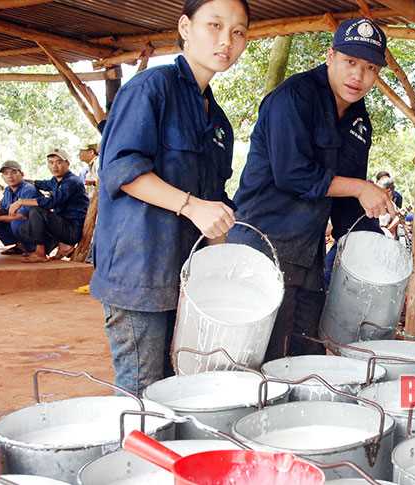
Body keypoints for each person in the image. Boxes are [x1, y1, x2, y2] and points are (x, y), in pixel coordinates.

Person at [90, 0, 250, 396]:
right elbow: (121, 171)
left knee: (177, 391)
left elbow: (213, 205)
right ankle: (132, 459)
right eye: (214, 25)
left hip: (185, 280)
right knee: (142, 394)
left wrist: (227, 274)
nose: (226, 41)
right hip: (139, 274)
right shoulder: (150, 89)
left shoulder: (218, 123)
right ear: (185, 27)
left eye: (238, 32)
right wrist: (192, 206)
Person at [230, 18, 394, 360]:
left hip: (308, 256)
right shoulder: (293, 97)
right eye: (350, 62)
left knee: (306, 355)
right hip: (263, 245)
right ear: (330, 55)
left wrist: (378, 255)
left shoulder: (359, 121)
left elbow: (349, 205)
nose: (358, 76)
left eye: (370, 68)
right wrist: (361, 188)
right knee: (263, 357)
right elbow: (291, 174)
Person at [8, 149, 89, 263]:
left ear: (67, 163)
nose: (54, 166)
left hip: (72, 230)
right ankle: (56, 247)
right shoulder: (55, 180)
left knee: (36, 211)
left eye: (59, 162)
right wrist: (22, 180)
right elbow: (43, 184)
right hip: (61, 225)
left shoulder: (72, 181)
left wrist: (21, 201)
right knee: (24, 228)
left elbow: (52, 202)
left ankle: (40, 253)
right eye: (51, 162)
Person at [0, 161, 39, 255]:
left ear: (22, 174)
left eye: (13, 172)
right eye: (6, 173)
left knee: (16, 220)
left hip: (36, 228)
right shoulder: (8, 190)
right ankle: (20, 245)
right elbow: (3, 208)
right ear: (2, 177)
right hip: (20, 224)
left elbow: (21, 216)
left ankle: (33, 247)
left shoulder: (28, 189)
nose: (10, 176)